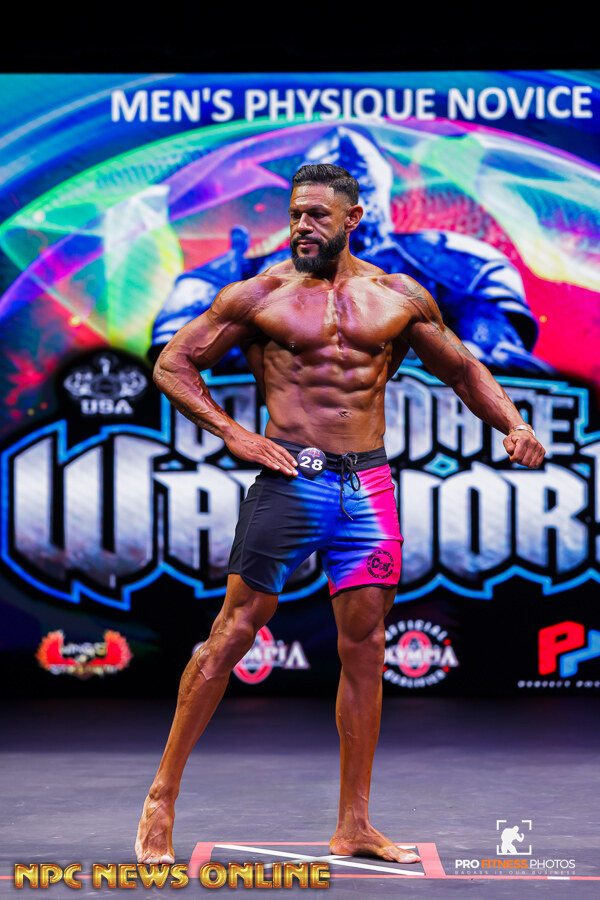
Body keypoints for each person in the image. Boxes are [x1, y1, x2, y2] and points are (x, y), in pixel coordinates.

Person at [135, 163, 545, 866]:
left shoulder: (398, 296)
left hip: (369, 489)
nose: (302, 226)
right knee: (232, 634)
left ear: (353, 219)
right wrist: (233, 433)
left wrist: (514, 423)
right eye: (295, 213)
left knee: (366, 648)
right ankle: (161, 798)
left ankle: (354, 823)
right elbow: (174, 363)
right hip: (292, 481)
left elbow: (461, 368)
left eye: (317, 215)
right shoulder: (260, 293)